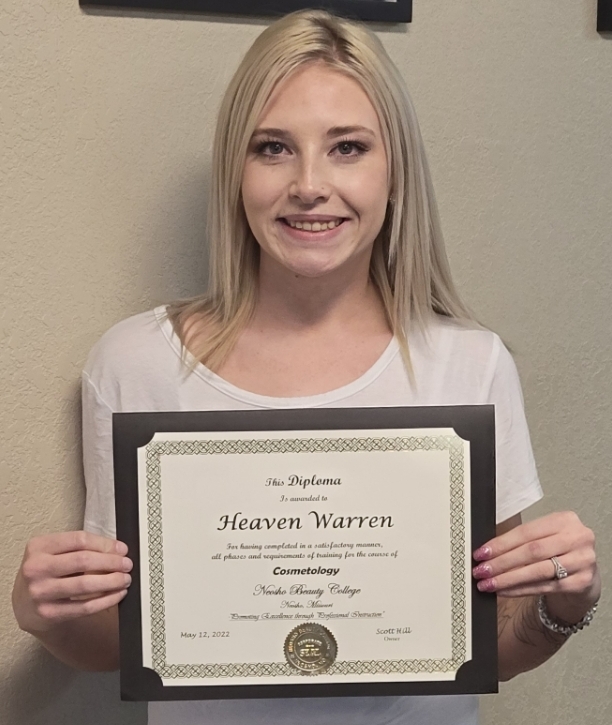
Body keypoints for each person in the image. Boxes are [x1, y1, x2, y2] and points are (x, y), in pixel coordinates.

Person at [12, 9, 600, 725]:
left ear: (396, 172)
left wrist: (562, 603)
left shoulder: (470, 363)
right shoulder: (135, 363)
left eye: (348, 147)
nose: (310, 184)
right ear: (236, 172)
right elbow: (123, 643)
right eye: (273, 148)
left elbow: (488, 645)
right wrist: (47, 615)